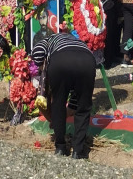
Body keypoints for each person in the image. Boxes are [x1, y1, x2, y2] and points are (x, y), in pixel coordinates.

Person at [30, 23, 96, 159]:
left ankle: (60, 146)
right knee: (83, 107)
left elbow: (38, 52)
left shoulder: (49, 39)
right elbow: (74, 104)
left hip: (60, 61)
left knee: (58, 103)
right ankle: (78, 150)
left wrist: (41, 71)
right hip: (87, 61)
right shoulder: (78, 42)